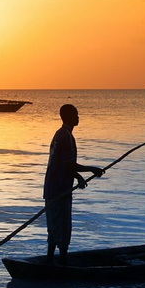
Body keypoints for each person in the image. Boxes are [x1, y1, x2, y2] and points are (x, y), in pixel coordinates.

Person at [43, 104, 104, 265]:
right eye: (76, 115)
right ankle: (62, 264)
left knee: (54, 226)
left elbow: (62, 164)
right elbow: (68, 164)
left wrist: (77, 177)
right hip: (59, 190)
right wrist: (92, 169)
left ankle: (50, 261)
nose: (78, 117)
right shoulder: (66, 137)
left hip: (52, 188)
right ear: (68, 117)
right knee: (63, 227)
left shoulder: (59, 134)